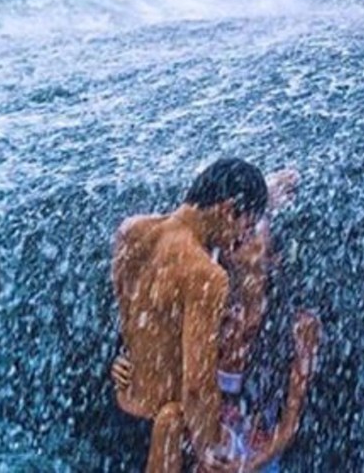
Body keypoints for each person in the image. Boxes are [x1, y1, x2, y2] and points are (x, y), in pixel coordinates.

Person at [110, 158, 320, 472]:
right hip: (184, 422)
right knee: (172, 422)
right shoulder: (206, 278)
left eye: (252, 230)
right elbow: (196, 384)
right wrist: (207, 448)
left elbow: (140, 311)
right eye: (247, 225)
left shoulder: (132, 230)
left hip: (153, 410)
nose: (240, 237)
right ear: (228, 210)